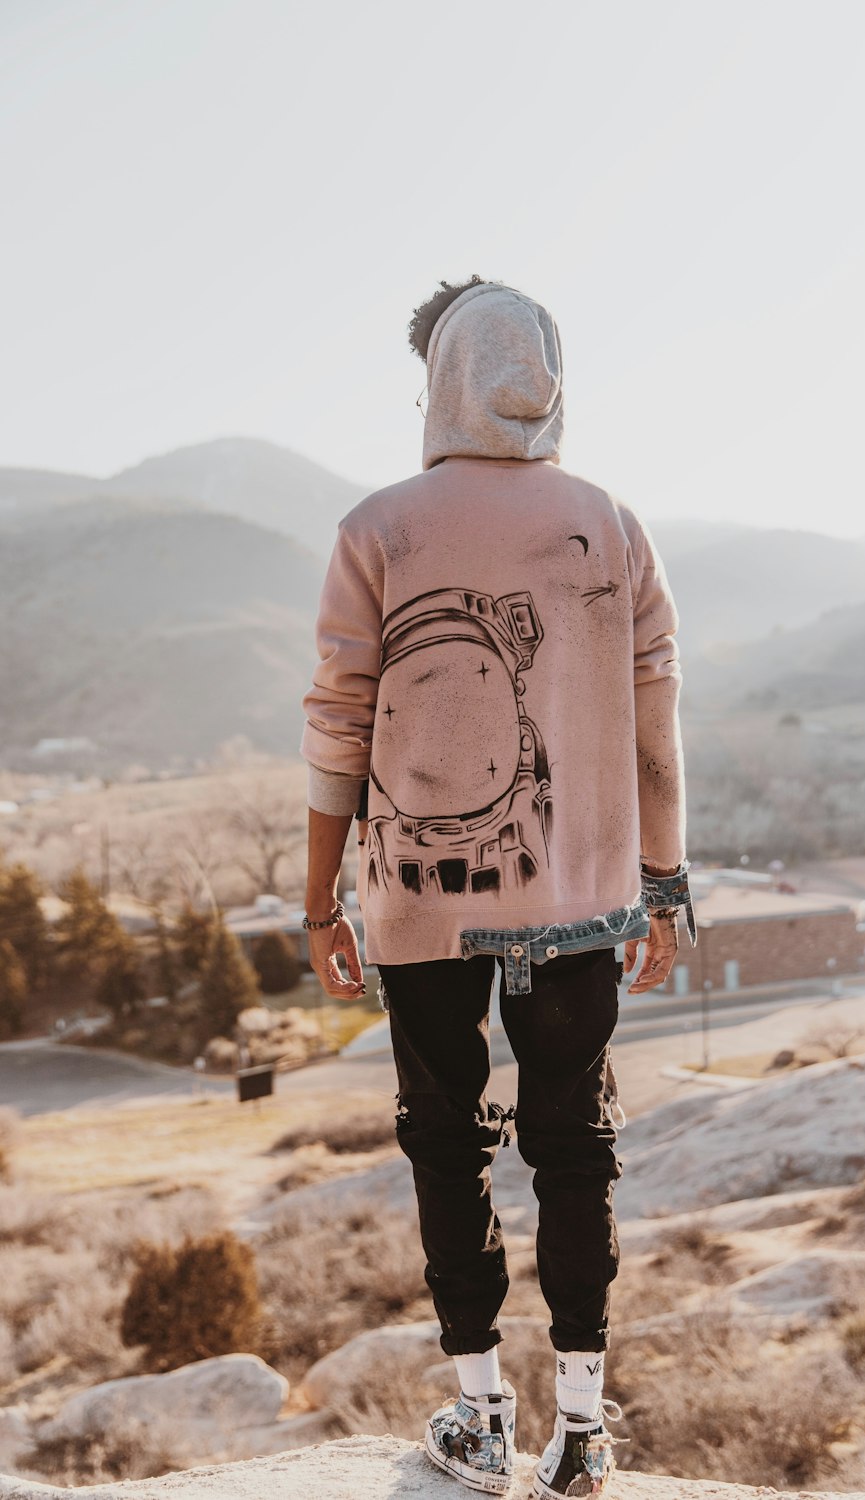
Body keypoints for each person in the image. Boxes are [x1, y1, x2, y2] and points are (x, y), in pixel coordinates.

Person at [299, 277, 696, 1498]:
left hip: (419, 903)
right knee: (576, 1147)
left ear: (439, 382)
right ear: (549, 375)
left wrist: (323, 903)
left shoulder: (377, 527)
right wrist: (665, 885)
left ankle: (479, 1416)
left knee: (444, 1144)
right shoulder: (611, 524)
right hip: (579, 900)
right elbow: (654, 725)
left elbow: (336, 727)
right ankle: (580, 1429)